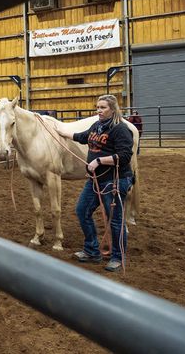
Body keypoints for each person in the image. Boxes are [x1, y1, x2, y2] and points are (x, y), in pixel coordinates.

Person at [55, 94, 133, 272]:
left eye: (103, 107)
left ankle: (117, 257)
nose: (99, 110)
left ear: (112, 109)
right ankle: (91, 250)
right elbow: (83, 137)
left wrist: (99, 161)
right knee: (82, 210)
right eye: (97, 107)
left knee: (115, 220)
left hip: (115, 180)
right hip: (96, 180)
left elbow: (125, 156)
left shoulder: (120, 129)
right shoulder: (97, 126)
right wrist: (60, 132)